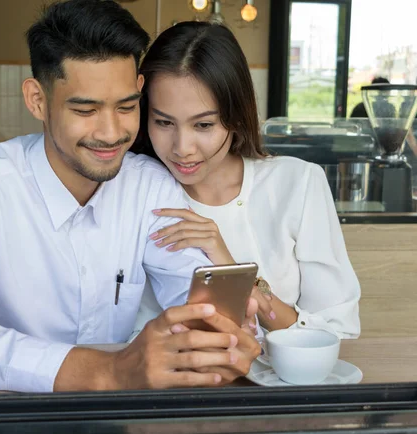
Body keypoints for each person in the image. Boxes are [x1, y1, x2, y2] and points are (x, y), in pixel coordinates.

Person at [0, 0, 261, 394]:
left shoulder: (150, 187)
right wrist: (104, 371)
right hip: (3, 413)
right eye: (86, 109)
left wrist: (216, 333)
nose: (111, 133)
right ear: (37, 100)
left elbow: (190, 288)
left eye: (126, 106)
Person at [131, 22, 361, 339]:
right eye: (164, 122)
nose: (182, 148)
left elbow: (335, 329)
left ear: (236, 117)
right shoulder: (134, 188)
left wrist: (229, 269)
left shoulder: (297, 183)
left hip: (279, 386)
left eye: (204, 125)